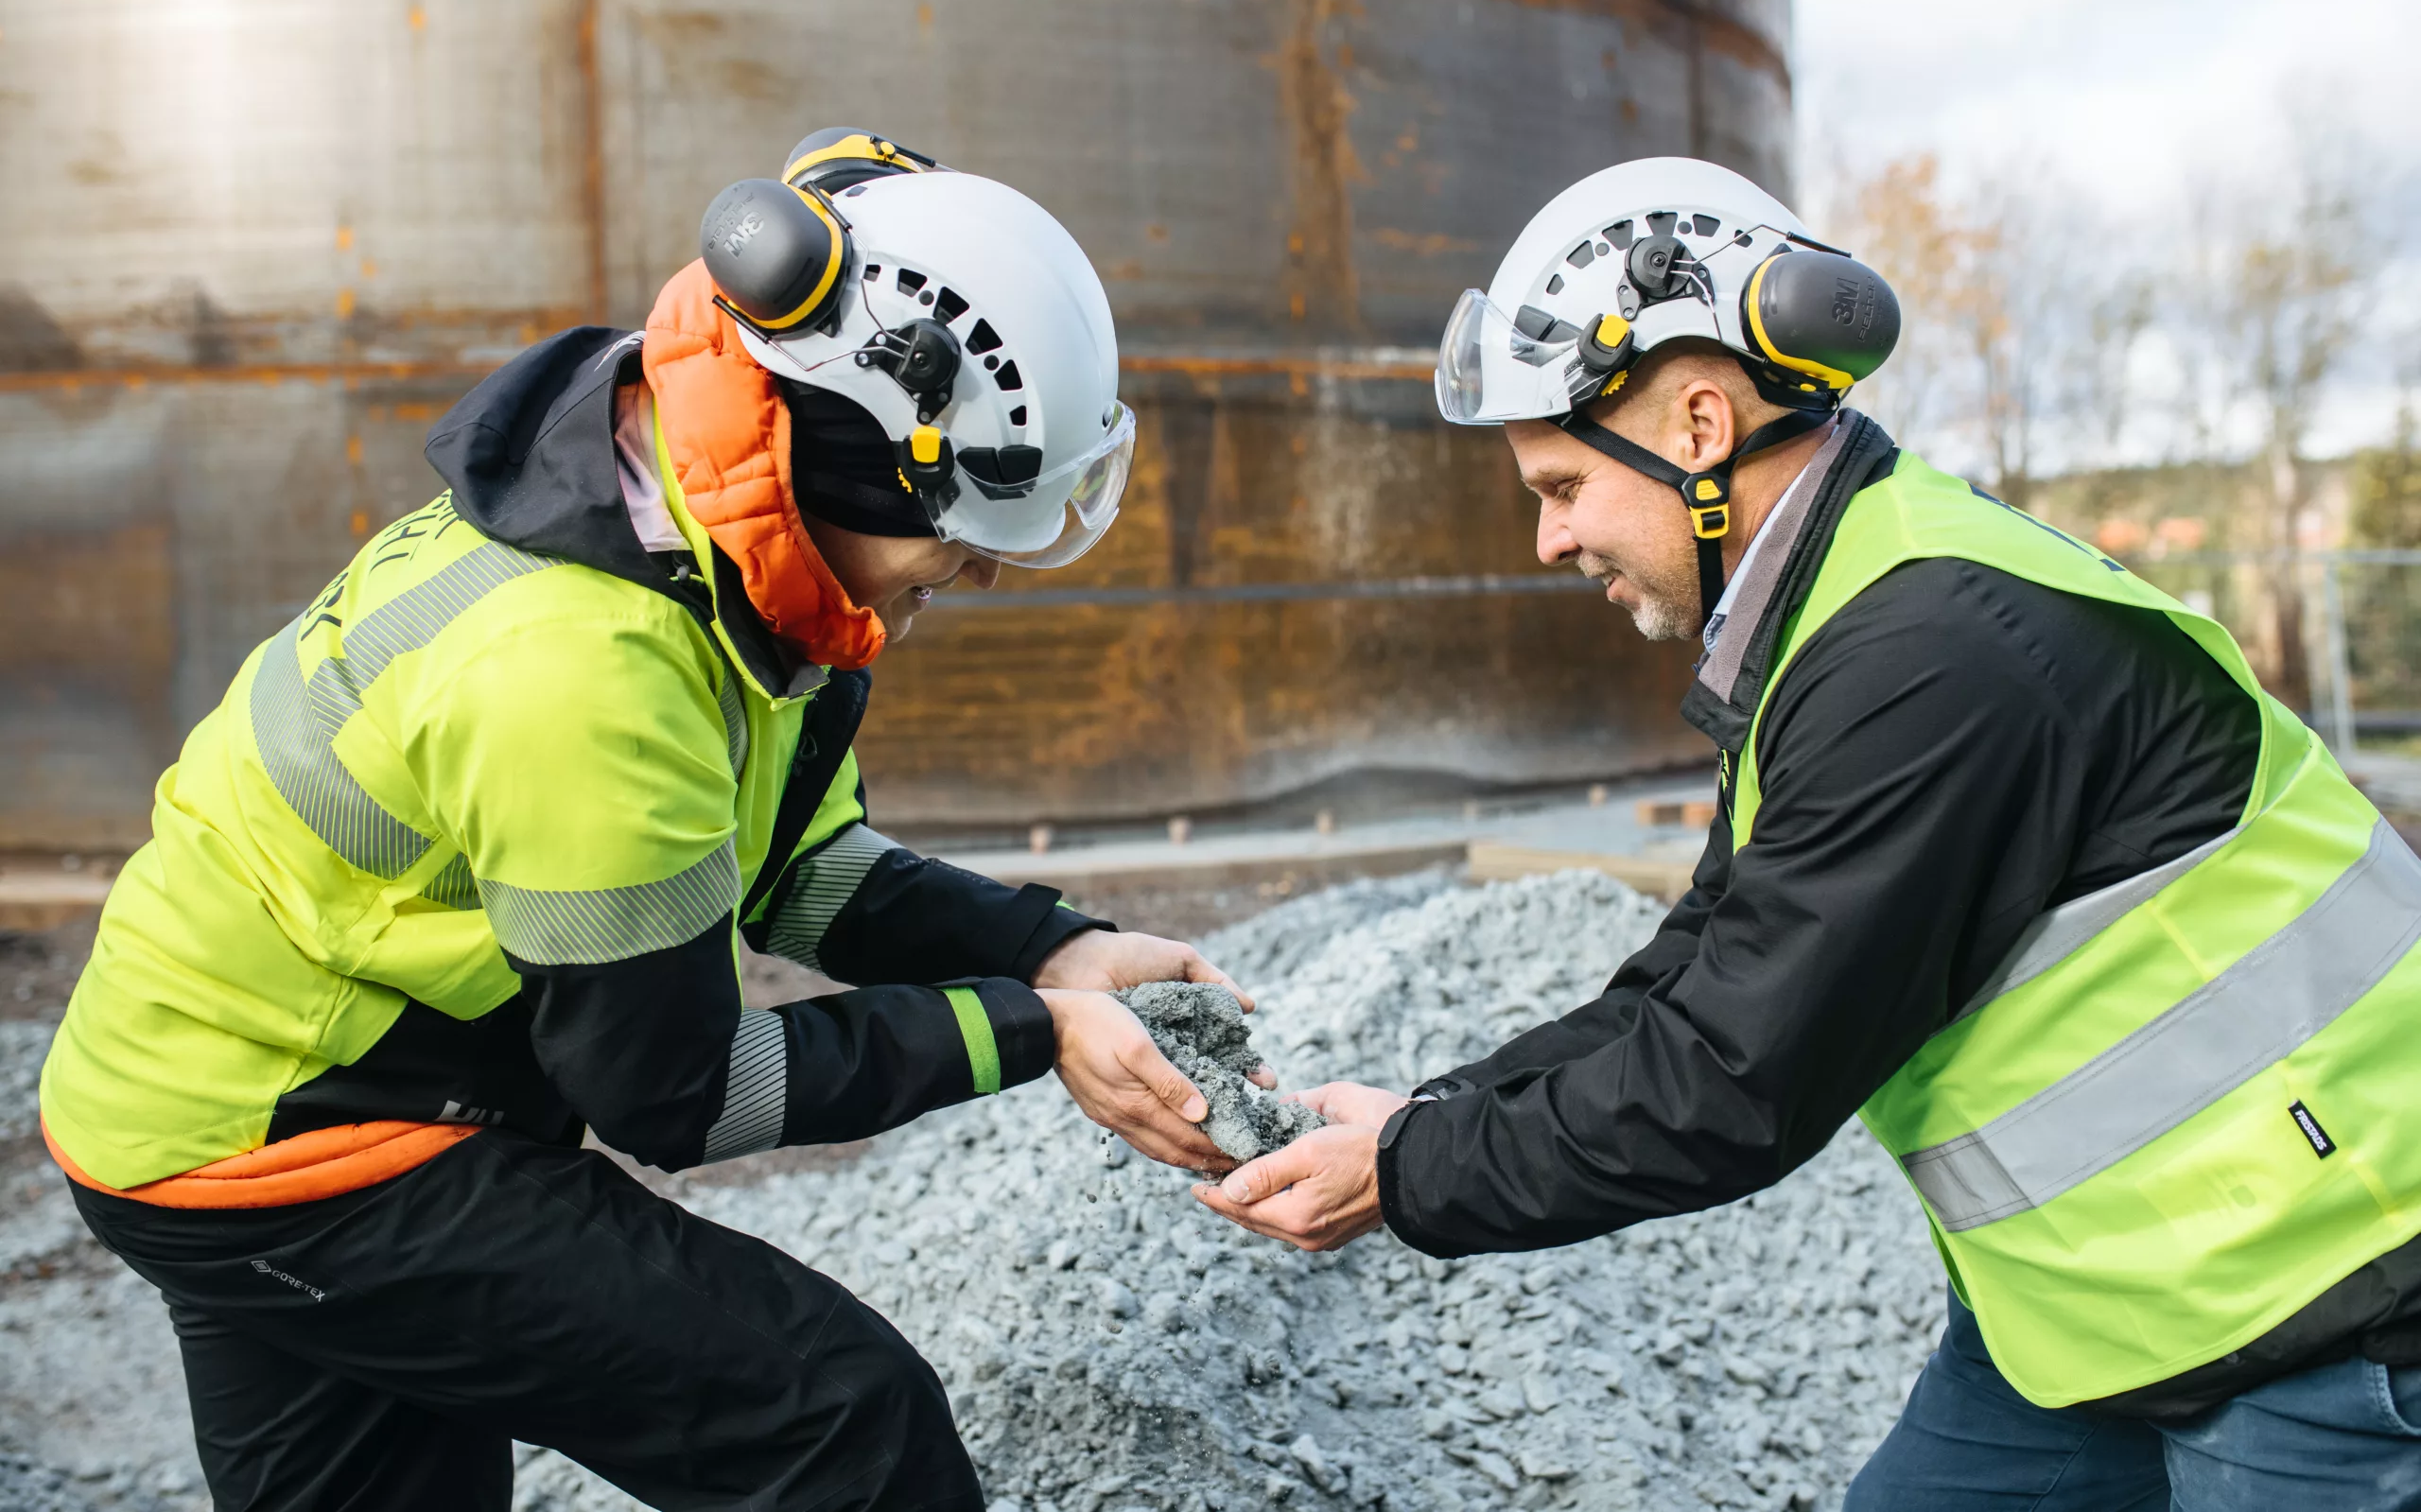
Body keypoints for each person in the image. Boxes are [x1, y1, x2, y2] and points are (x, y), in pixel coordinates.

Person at [40, 130, 1249, 1512]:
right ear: (856, 452)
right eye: (967, 532)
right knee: (838, 1427)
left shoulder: (713, 528)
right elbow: (680, 1090)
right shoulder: (588, 667)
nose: (975, 571)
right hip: (284, 1139)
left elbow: (800, 873)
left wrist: (1054, 949)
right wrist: (1031, 1034)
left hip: (221, 1088)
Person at [1193, 156, 2421, 1508]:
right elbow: (1702, 964)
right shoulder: (1844, 608)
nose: (1550, 541)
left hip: (2324, 1305)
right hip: (2107, 1310)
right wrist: (1434, 1112)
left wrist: (1406, 1175)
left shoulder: (1934, 649)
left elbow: (1732, 1076)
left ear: (1701, 425)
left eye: (1558, 487)